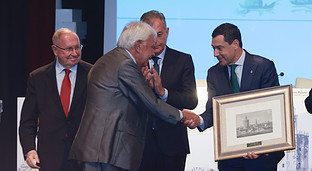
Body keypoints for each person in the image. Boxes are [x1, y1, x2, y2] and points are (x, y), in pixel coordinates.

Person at [68, 21, 200, 171]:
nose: (153, 53)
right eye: (151, 47)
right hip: (105, 152)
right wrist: (181, 116)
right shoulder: (125, 64)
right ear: (138, 45)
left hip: (99, 151)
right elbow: (151, 103)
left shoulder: (113, 59)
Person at [183, 23, 284, 170]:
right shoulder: (214, 73)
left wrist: (260, 145)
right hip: (230, 158)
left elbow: (273, 110)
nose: (215, 54)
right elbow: (213, 110)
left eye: (220, 48)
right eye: (213, 48)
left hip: (262, 156)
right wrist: (199, 120)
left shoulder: (263, 67)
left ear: (235, 44)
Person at [19, 28, 92, 171]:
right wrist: (29, 150)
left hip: (84, 156)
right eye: (69, 49)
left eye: (77, 47)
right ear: (55, 50)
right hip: (49, 157)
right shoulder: (38, 78)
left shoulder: (92, 74)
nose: (75, 53)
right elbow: (28, 120)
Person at [138, 10, 198, 171]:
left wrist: (163, 92)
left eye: (159, 34)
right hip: (139, 145)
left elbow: (191, 101)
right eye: (150, 36)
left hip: (172, 145)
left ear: (167, 32)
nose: (156, 41)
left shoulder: (183, 60)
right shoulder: (134, 62)